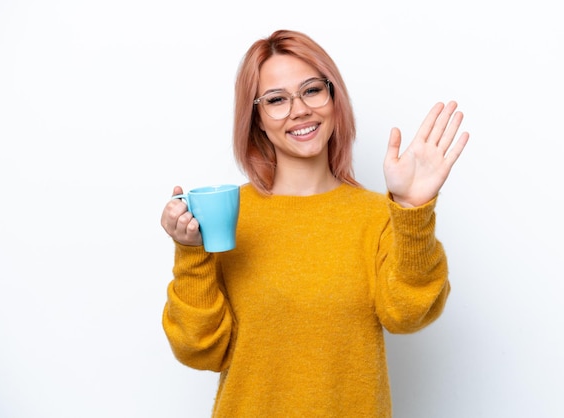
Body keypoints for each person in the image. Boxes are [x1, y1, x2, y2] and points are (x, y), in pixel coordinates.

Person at [160, 29, 469, 417]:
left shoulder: (378, 216)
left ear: (333, 98)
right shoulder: (228, 213)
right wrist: (191, 254)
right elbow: (199, 349)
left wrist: (412, 209)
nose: (300, 109)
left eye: (312, 90)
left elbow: (408, 315)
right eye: (276, 100)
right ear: (255, 119)